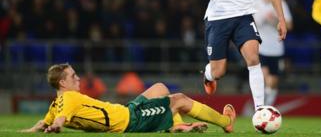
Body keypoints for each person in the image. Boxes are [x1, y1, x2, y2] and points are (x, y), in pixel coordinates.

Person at [21, 63, 236, 133]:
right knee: (178, 99)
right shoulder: (69, 99)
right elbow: (60, 121)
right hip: (131, 120)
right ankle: (226, 123)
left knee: (160, 88)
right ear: (62, 83)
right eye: (73, 76)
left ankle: (174, 126)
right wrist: (57, 126)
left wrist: (27, 131)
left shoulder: (56, 104)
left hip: (126, 110)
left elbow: (46, 122)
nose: (78, 79)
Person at [253, 0, 293, 106]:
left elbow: (290, 25)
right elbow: (248, 22)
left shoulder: (280, 2)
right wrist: (261, 20)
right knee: (265, 78)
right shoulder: (255, 2)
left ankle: (268, 103)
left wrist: (277, 20)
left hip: (276, 48)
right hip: (260, 47)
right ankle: (263, 106)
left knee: (273, 83)